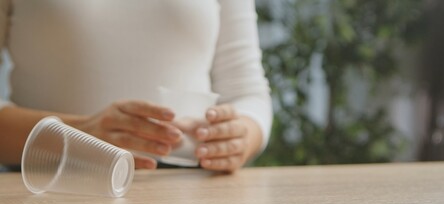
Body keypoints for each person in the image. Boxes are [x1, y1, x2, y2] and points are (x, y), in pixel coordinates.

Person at [0, 0, 272, 172]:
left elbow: (247, 93)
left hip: (188, 198)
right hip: (46, 189)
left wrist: (239, 136)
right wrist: (79, 134)